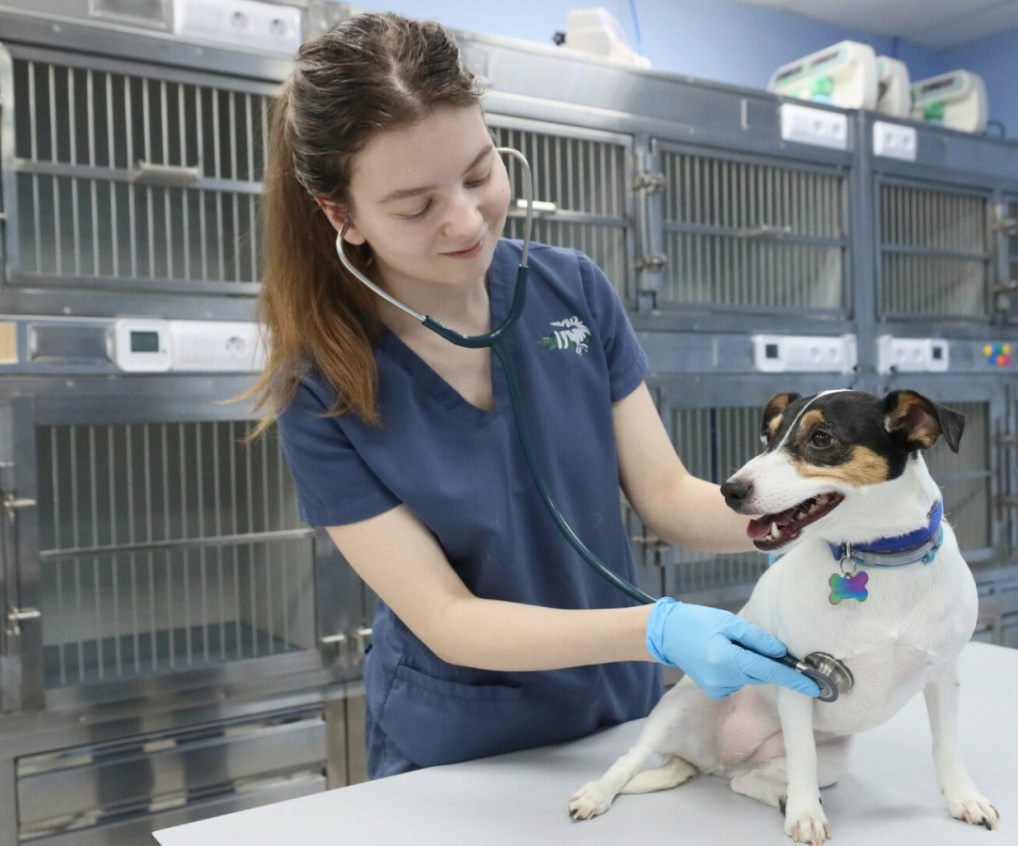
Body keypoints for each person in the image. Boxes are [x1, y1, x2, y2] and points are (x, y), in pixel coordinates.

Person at [249, 11, 819, 779]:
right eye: (416, 206)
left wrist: (808, 511)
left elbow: (666, 496)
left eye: (479, 173)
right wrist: (656, 630)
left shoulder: (572, 290)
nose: (465, 220)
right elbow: (447, 617)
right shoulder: (322, 386)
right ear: (340, 214)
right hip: (459, 745)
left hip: (617, 712)